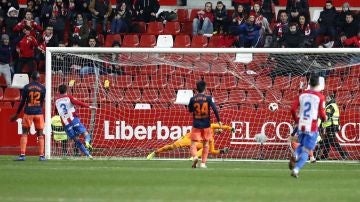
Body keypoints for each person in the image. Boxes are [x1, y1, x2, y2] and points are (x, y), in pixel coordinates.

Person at [289, 75, 327, 178]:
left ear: (309, 84)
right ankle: (296, 170)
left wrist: (297, 120)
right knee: (306, 150)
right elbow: (322, 114)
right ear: (318, 84)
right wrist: (325, 119)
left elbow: (292, 109)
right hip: (312, 126)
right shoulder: (320, 97)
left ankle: (295, 155)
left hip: (301, 125)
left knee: (301, 144)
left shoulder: (302, 95)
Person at [10, 71, 46, 161]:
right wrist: (39, 109)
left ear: (31, 78)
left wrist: (17, 113)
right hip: (39, 112)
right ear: (39, 79)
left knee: (25, 133)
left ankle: (22, 155)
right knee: (40, 134)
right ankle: (41, 156)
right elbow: (42, 101)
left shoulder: (27, 87)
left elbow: (22, 102)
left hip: (28, 112)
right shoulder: (42, 88)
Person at [146, 123, 233, 160]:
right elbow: (223, 126)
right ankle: (155, 152)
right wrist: (231, 128)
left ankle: (193, 157)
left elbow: (213, 151)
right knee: (171, 147)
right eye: (219, 129)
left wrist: (222, 151)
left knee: (206, 147)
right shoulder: (210, 126)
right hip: (188, 138)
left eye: (220, 131)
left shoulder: (211, 139)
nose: (219, 130)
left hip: (195, 144)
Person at [54, 84, 95, 158]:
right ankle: (86, 141)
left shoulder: (56, 101)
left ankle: (88, 154)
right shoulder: (69, 97)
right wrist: (89, 106)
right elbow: (77, 102)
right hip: (73, 119)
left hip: (65, 123)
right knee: (85, 132)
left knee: (76, 139)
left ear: (59, 91)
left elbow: (56, 112)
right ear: (66, 90)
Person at [188, 80, 221, 168]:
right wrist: (219, 121)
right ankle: (203, 163)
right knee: (206, 144)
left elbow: (190, 110)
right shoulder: (209, 98)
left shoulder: (192, 99)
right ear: (205, 88)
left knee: (193, 144)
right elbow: (215, 109)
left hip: (196, 125)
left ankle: (195, 157)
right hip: (206, 125)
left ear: (196, 89)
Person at [317, 95, 349, 160]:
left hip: (331, 126)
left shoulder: (331, 106)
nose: (327, 99)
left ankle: (344, 154)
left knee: (332, 141)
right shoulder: (331, 105)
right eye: (326, 98)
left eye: (328, 98)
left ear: (332, 98)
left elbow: (327, 116)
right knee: (327, 141)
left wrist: (320, 121)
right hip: (330, 126)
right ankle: (324, 155)